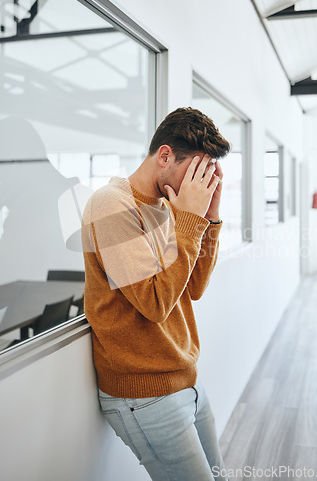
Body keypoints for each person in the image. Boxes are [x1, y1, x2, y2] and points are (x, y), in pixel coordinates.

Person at [81, 106, 231, 480]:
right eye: (194, 171)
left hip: (186, 380)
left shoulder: (171, 208)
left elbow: (192, 287)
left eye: (206, 174)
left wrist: (209, 216)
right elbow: (155, 304)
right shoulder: (110, 204)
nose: (200, 183)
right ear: (165, 155)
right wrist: (190, 221)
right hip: (145, 396)